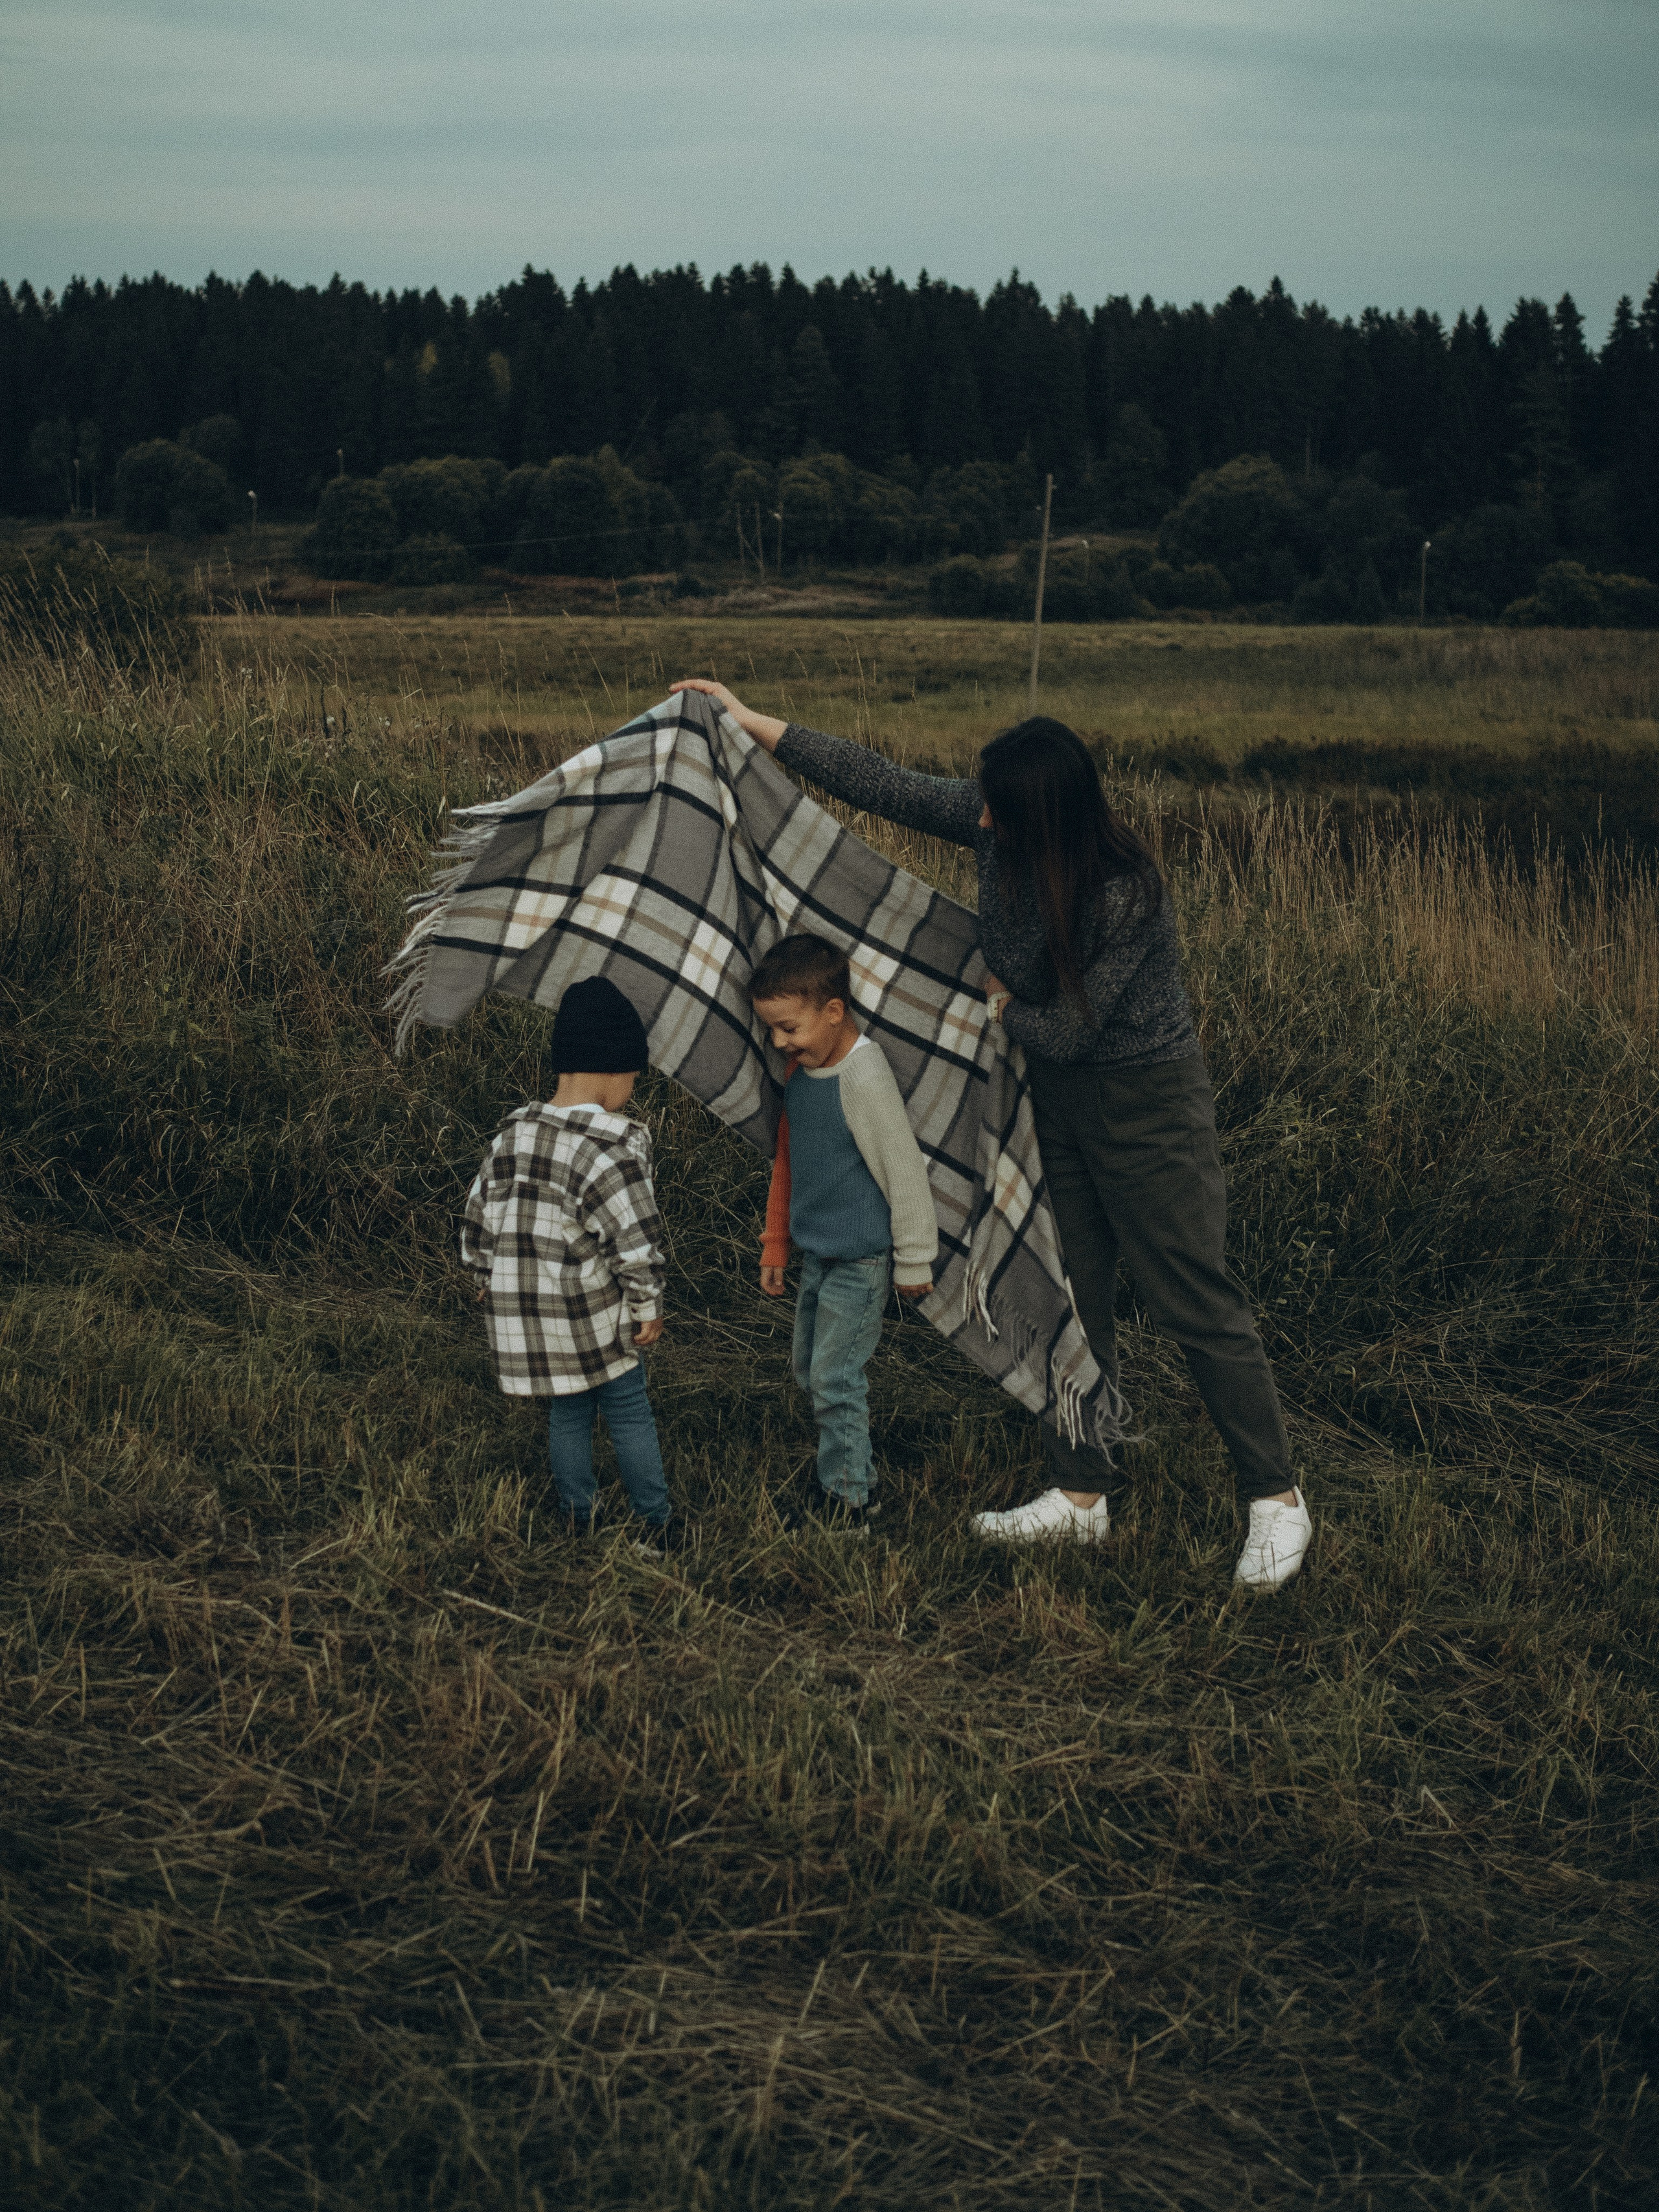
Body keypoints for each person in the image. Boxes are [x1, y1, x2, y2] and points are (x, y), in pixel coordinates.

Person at [673, 677, 1312, 1590]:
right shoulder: (994, 826)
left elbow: (1075, 1029)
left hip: (1146, 1103)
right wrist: (751, 722)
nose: (981, 820)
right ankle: (1083, 1496)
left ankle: (1276, 1500)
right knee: (1071, 1290)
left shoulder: (1126, 891)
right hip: (1051, 1100)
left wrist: (1003, 1008)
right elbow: (882, 782)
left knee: (1193, 1296)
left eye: (999, 812)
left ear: (1045, 815)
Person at [461, 975, 676, 1555]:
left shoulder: (512, 1135)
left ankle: (578, 1515)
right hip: (593, 1313)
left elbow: (480, 1211)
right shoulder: (608, 1151)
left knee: (568, 1411)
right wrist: (647, 1303)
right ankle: (656, 1523)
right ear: (612, 1069)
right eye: (633, 1076)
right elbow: (635, 1239)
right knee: (628, 1409)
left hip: (532, 1316)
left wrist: (480, 1271)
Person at [750, 933, 938, 1531]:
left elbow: (902, 1170)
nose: (780, 1042)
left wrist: (914, 1260)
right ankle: (847, 1467)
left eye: (788, 1027)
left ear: (834, 1012)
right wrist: (776, 1244)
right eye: (772, 1030)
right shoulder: (802, 1075)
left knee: (834, 1376)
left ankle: (852, 1500)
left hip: (860, 1262)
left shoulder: (863, 1074)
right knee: (811, 1370)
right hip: (818, 1256)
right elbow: (788, 1163)